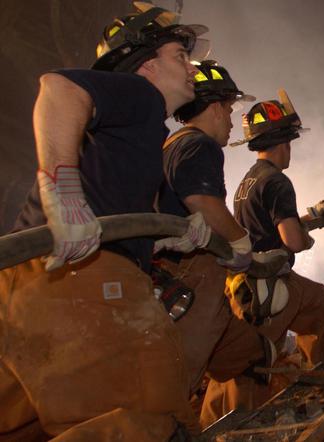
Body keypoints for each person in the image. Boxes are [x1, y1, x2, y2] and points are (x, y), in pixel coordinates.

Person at [0, 3, 212, 439]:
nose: (192, 68)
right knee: (149, 420)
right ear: (147, 66)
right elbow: (57, 88)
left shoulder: (141, 133)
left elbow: (114, 204)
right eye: (179, 57)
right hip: (78, 275)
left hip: (27, 285)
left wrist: (169, 237)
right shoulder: (138, 95)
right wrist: (63, 194)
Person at [199, 92, 324, 425]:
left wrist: (312, 218)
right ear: (284, 142)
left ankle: (208, 424)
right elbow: (291, 239)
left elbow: (264, 225)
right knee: (252, 364)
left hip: (242, 284)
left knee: (235, 357)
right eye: (291, 140)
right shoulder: (278, 181)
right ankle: (321, 382)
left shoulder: (248, 180)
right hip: (268, 286)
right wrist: (306, 237)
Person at [155, 60, 277, 417]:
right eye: (228, 108)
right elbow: (203, 200)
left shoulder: (171, 143)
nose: (229, 119)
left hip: (176, 274)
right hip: (193, 277)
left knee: (248, 354)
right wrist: (241, 242)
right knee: (181, 373)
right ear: (213, 107)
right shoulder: (201, 145)